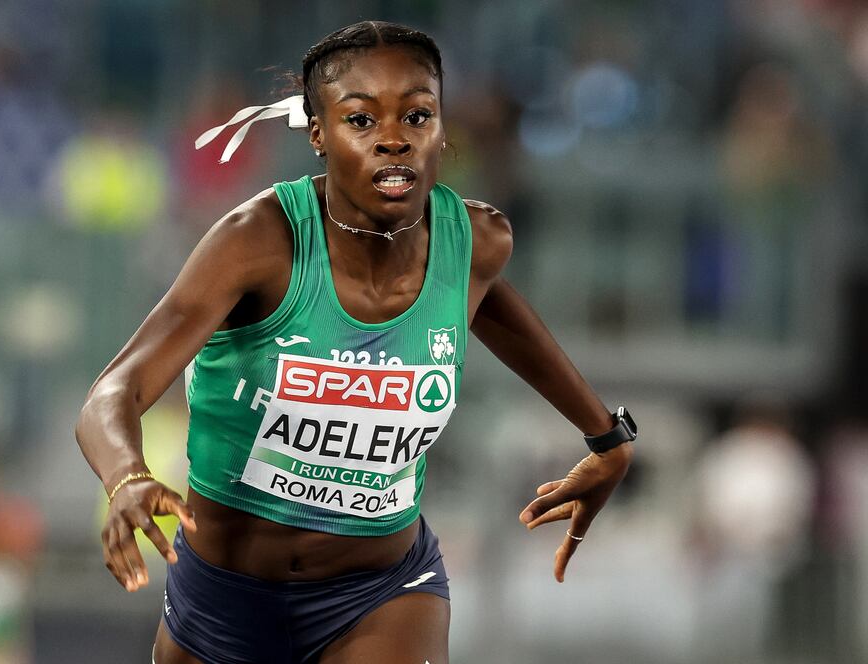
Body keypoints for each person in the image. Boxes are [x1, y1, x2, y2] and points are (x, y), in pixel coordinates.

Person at [75, 21, 635, 664]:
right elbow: (111, 394)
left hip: (381, 591)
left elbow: (493, 308)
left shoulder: (477, 242)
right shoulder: (259, 242)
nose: (394, 140)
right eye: (362, 121)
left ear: (442, 129)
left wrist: (607, 437)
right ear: (318, 133)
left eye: (418, 115)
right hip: (224, 601)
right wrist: (126, 478)